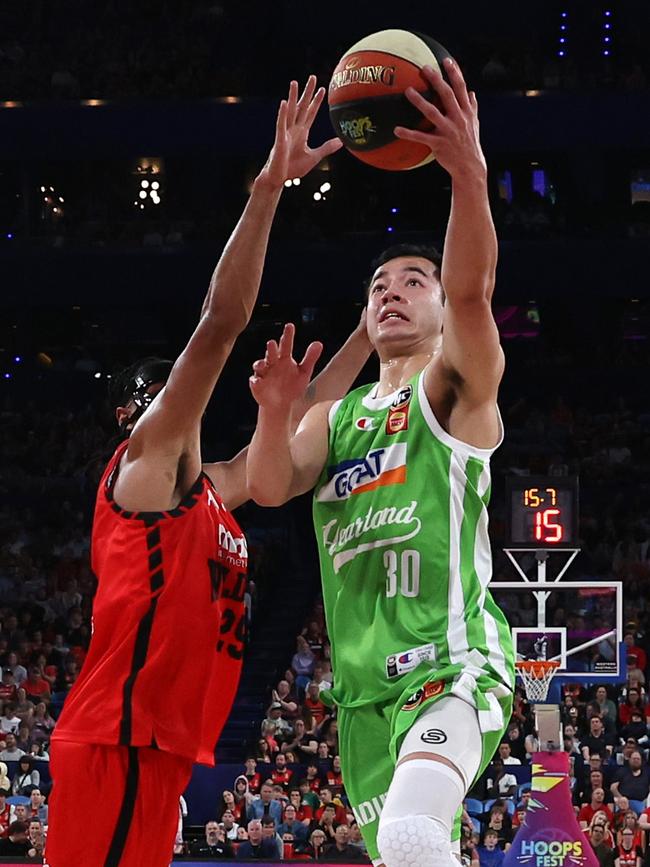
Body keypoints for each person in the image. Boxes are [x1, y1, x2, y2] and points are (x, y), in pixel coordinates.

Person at [43, 77, 371, 867]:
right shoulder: (148, 465)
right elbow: (222, 322)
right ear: (136, 411)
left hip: (157, 743)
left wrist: (370, 330)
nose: (178, 390)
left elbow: (297, 419)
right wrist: (268, 188)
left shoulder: (202, 495)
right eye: (163, 386)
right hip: (115, 736)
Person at [246, 56, 515, 867]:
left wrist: (468, 174)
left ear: (439, 307)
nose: (392, 291)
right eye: (378, 286)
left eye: (413, 280)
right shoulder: (337, 418)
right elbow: (266, 486)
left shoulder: (454, 390)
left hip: (452, 663)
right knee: (410, 853)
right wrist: (271, 414)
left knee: (408, 833)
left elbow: (474, 292)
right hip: (360, 696)